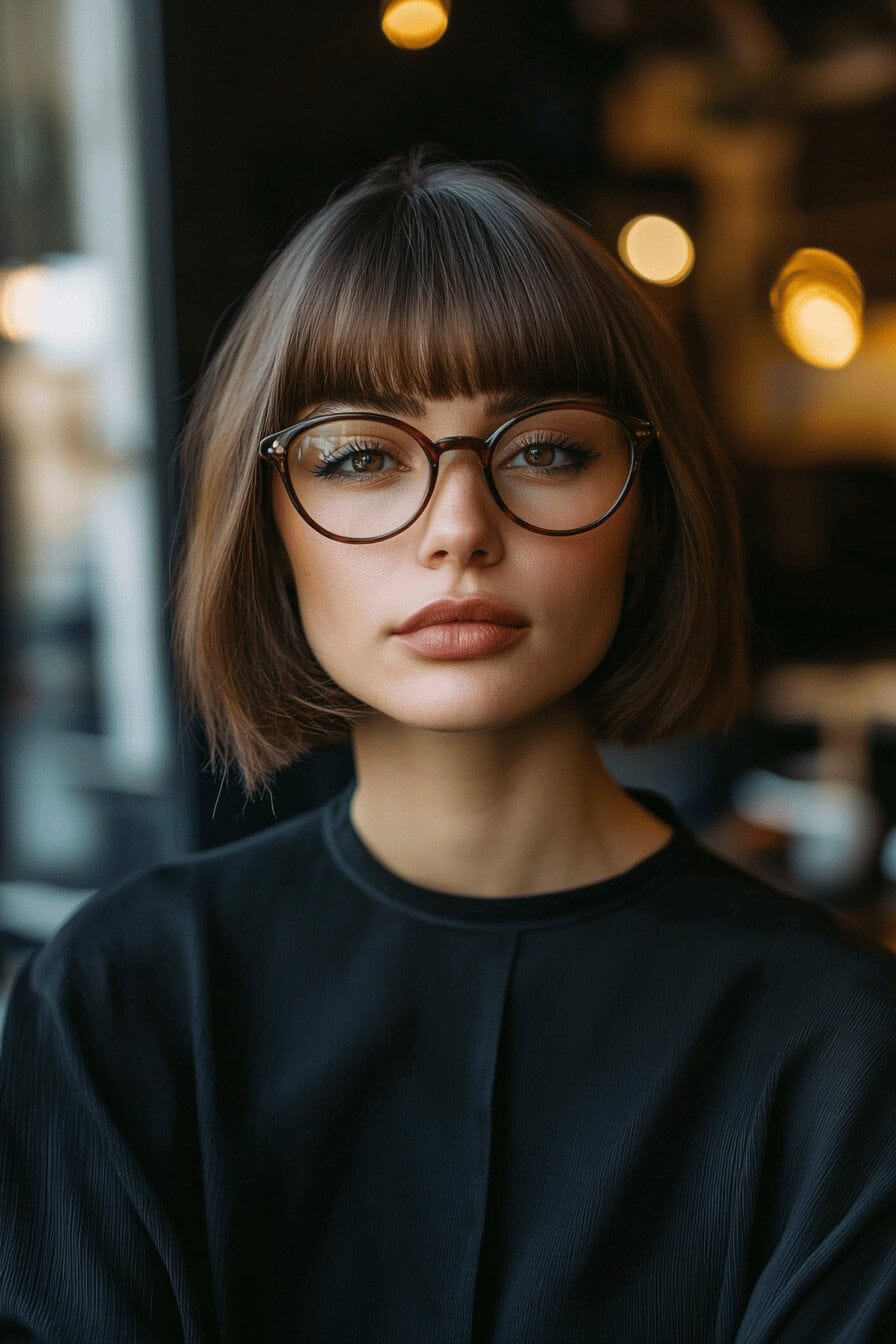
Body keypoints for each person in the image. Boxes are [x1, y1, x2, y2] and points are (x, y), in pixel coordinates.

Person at [1, 145, 895, 1344]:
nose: (458, 530)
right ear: (268, 528)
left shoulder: (835, 1042)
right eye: (362, 457)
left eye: (544, 450)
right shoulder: (125, 998)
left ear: (645, 512)